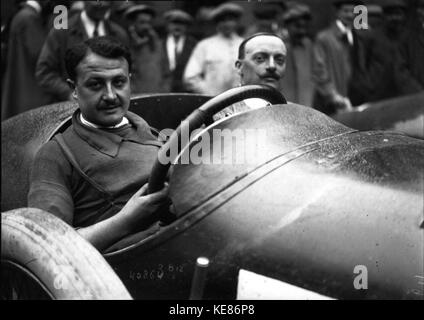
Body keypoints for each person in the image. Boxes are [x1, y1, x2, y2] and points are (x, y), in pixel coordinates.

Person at [28, 37, 171, 252]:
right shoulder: (55, 155)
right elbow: (49, 248)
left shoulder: (156, 135)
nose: (111, 95)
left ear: (129, 82)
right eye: (95, 85)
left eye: (119, 82)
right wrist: (126, 221)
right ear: (74, 89)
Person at [36, 0, 128, 104]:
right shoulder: (61, 32)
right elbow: (44, 72)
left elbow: (130, 71)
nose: (102, 4)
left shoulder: (119, 34)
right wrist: (69, 92)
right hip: (70, 108)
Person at [213, 33, 287, 121]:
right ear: (239, 66)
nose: (272, 66)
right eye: (260, 58)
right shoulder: (220, 112)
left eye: (279, 60)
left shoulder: (293, 114)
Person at [1, 0, 51, 120]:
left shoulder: (22, 15)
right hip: (30, 88)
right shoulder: (29, 17)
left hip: (22, 83)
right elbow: (40, 55)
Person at [312, 0, 363, 115]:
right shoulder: (324, 38)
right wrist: (333, 96)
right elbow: (319, 71)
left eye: (352, 11)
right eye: (345, 11)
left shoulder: (357, 37)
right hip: (332, 103)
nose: (350, 15)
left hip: (353, 100)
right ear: (337, 12)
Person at [183, 2, 244, 96]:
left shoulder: (245, 44)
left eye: (230, 20)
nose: (227, 24)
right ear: (217, 23)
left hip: (241, 100)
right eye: (222, 20)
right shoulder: (205, 45)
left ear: (237, 22)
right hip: (213, 101)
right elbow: (190, 77)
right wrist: (208, 93)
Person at [124, 4, 169, 94]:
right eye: (142, 22)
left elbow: (166, 73)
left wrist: (164, 91)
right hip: (135, 98)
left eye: (149, 23)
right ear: (132, 23)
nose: (146, 26)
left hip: (157, 97)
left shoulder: (157, 44)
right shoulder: (125, 44)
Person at [280, 2, 314, 106]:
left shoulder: (308, 45)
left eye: (304, 27)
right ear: (287, 25)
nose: (301, 31)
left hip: (306, 104)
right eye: (297, 26)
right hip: (283, 105)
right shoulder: (279, 45)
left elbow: (316, 72)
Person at [162, 9, 197, 92]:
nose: (177, 27)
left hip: (186, 91)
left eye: (181, 24)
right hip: (163, 91)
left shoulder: (194, 45)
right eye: (174, 23)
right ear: (167, 25)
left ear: (186, 27)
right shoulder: (159, 44)